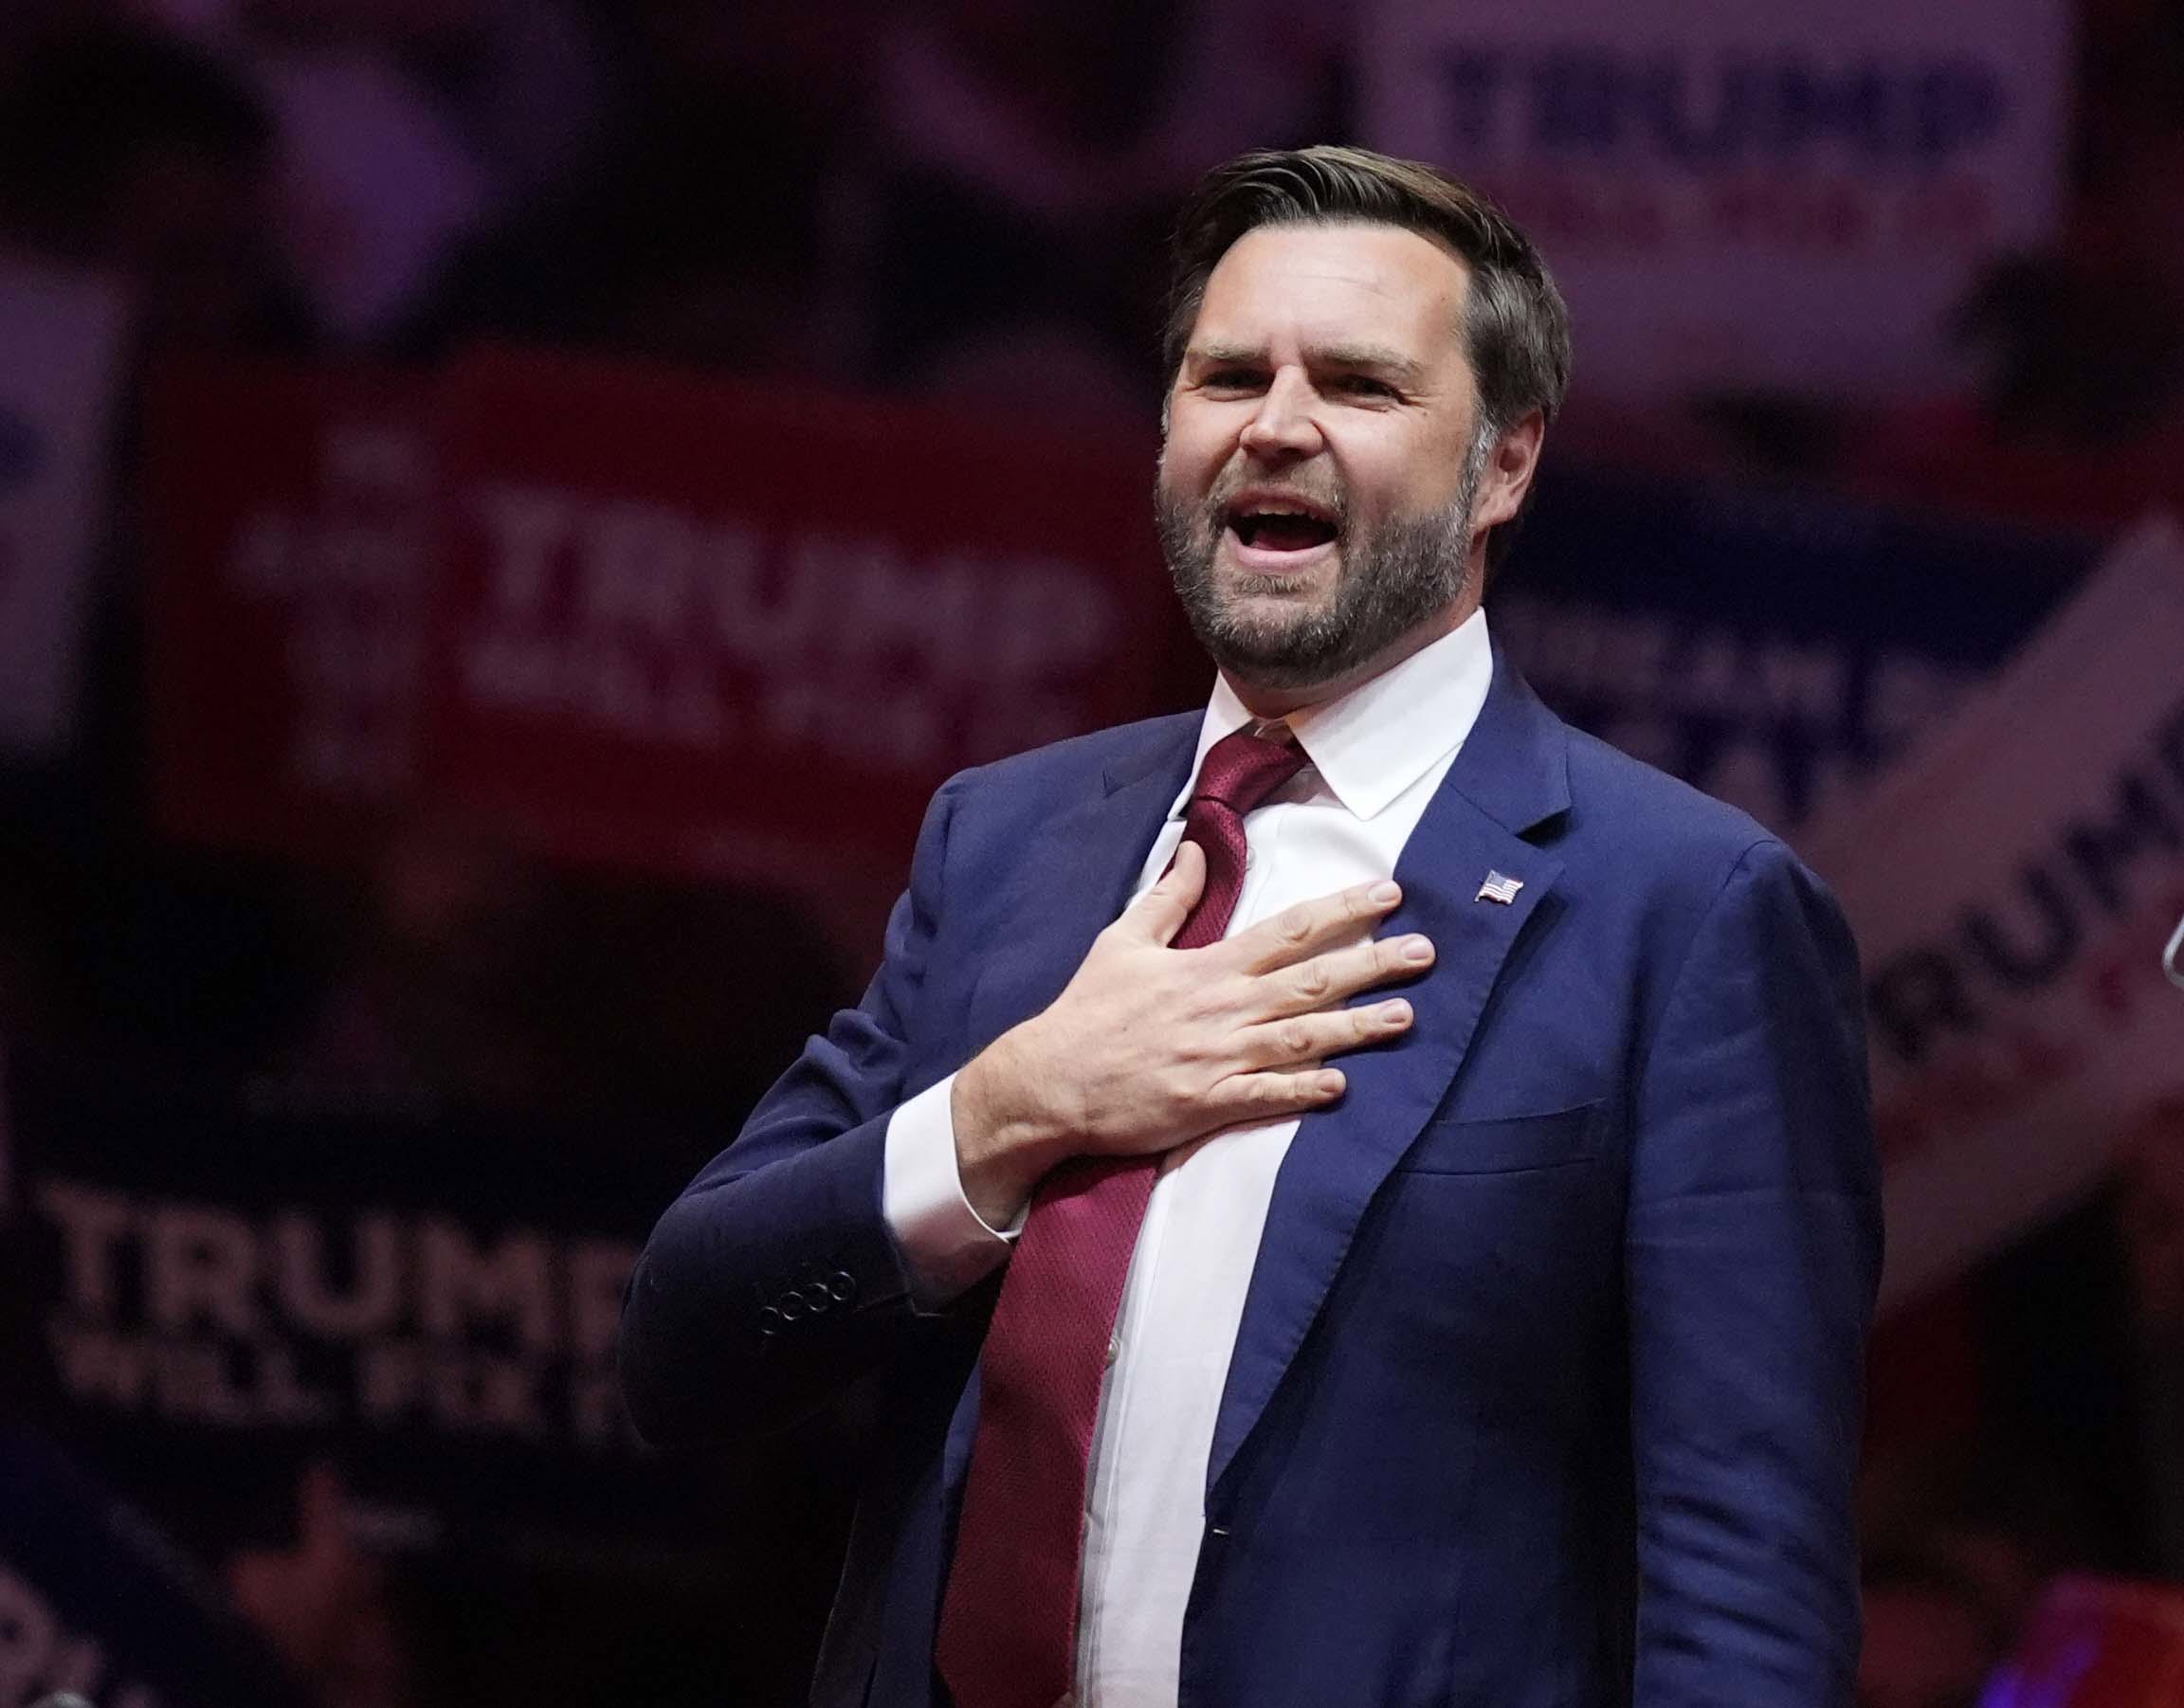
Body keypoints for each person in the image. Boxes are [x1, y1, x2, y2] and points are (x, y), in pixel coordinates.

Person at [618, 145, 1881, 1708]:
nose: (1273, 423)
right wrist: (1009, 1113)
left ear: (1503, 463)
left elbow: (1741, 1576)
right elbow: (684, 1340)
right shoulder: (1008, 839)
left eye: (1355, 383)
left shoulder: (1685, 909)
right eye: (1227, 374)